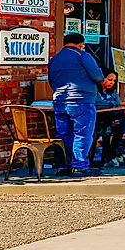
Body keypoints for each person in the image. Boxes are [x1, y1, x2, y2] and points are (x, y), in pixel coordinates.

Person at [47, 32, 106, 177]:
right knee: (83, 133)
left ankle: (64, 166)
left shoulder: (55, 59)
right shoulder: (83, 56)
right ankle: (79, 166)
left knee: (63, 134)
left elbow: (51, 80)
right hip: (82, 100)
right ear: (81, 44)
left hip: (60, 100)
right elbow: (98, 76)